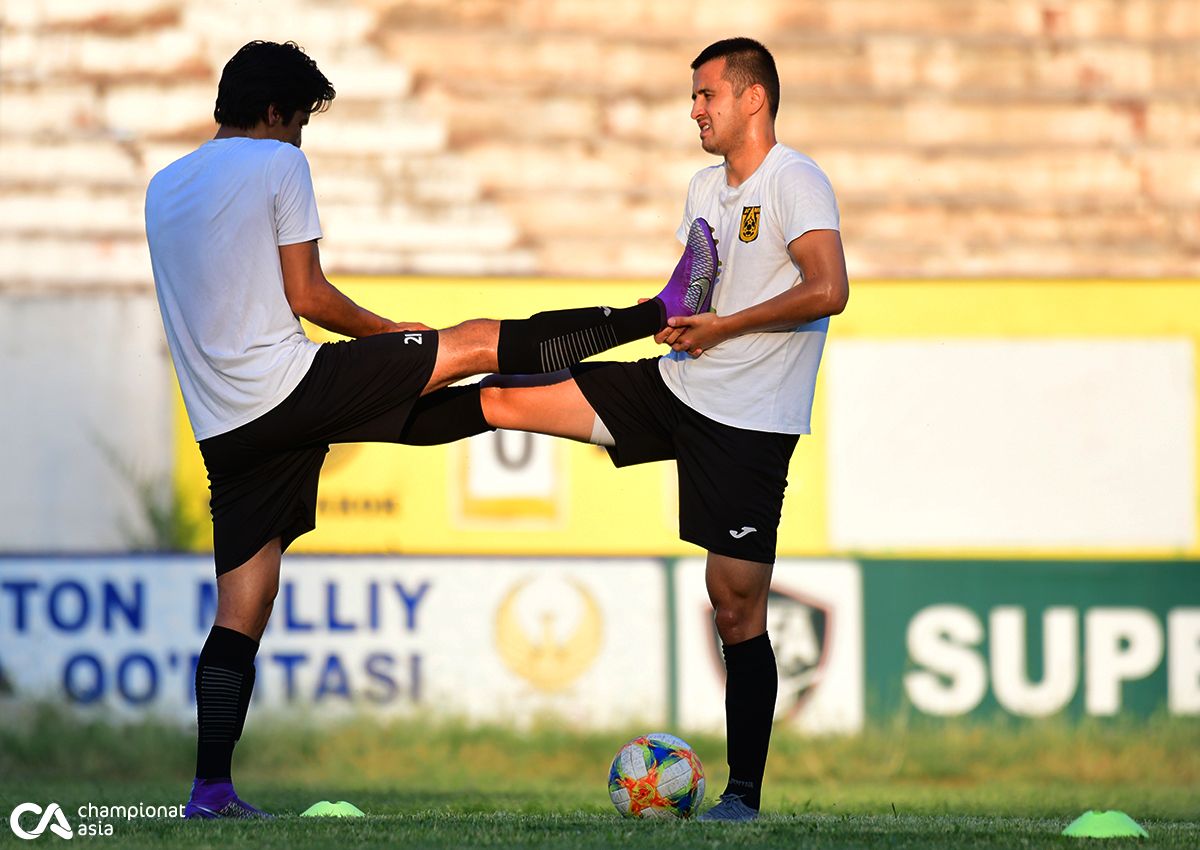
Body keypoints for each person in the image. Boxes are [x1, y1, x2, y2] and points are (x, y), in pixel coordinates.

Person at [143, 40, 718, 819]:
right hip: (285, 384)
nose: (302, 138)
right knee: (475, 341)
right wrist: (385, 334)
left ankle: (210, 790)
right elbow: (306, 292)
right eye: (301, 123)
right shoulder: (277, 163)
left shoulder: (162, 186)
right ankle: (661, 310)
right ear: (275, 112)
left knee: (244, 603)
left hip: (224, 424)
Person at [478, 37, 849, 821]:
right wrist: (676, 320)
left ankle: (742, 797)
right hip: (679, 386)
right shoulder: (702, 188)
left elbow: (829, 290)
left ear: (753, 98)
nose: (695, 110)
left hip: (750, 424)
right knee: (509, 397)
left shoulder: (797, 180)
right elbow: (694, 283)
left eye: (706, 94)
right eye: (694, 96)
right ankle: (379, 404)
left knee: (735, 603)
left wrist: (725, 326)